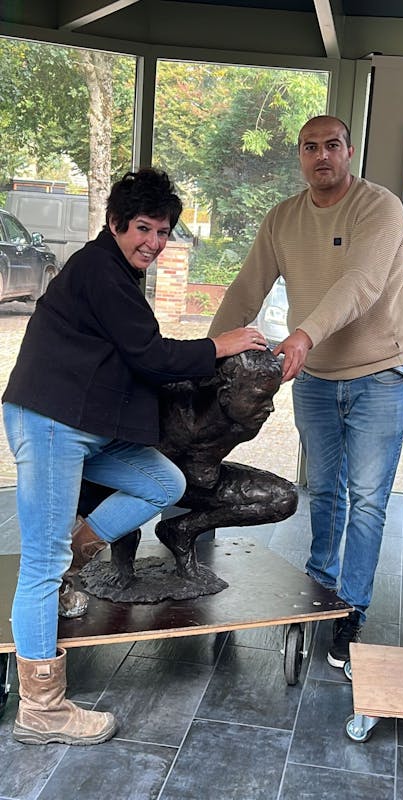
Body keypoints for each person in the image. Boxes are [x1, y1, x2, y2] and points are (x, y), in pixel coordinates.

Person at [1, 167, 268, 747]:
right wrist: (220, 345)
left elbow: (131, 354)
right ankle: (41, 709)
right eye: (143, 228)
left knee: (163, 482)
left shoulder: (118, 272)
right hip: (52, 423)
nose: (154, 241)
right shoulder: (100, 269)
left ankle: (74, 554)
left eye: (163, 231)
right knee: (40, 564)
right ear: (116, 223)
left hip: (86, 426)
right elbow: (150, 355)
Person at [209, 115, 403, 669]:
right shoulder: (283, 218)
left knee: (367, 500)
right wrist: (206, 353)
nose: (321, 155)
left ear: (349, 150)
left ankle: (352, 609)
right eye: (309, 147)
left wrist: (303, 335)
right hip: (318, 381)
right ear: (300, 156)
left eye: (332, 145)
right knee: (324, 492)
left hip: (378, 376)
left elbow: (361, 283)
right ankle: (319, 591)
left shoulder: (380, 208)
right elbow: (247, 287)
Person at [76, 348, 298, 594]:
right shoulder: (175, 396)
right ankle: (122, 560)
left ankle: (181, 531)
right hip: (133, 476)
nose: (270, 408)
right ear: (225, 394)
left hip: (192, 480)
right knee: (111, 480)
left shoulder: (247, 420)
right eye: (259, 398)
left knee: (283, 499)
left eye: (270, 397)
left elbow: (204, 470)